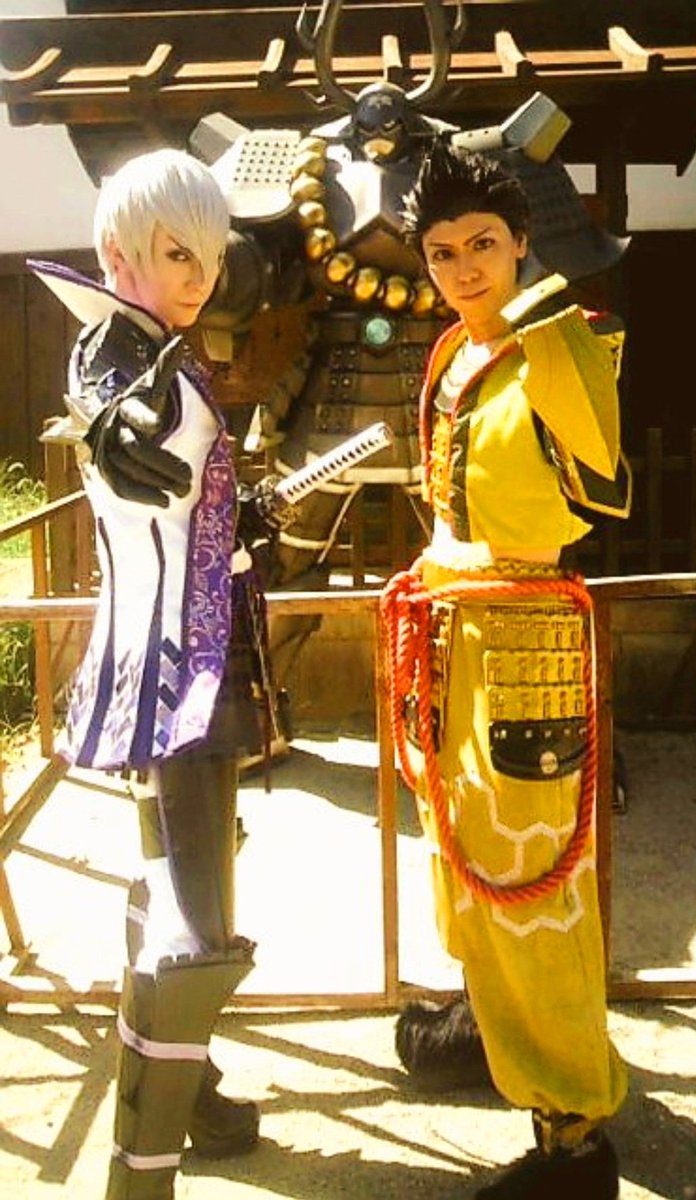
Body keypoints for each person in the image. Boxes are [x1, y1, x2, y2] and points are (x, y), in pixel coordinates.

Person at [30, 148, 292, 1199]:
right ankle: (145, 1173)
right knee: (196, 931)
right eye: (176, 253)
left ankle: (198, 1095)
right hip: (182, 677)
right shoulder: (121, 353)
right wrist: (108, 426)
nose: (198, 275)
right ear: (118, 250)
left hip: (189, 662)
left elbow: (177, 499)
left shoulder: (159, 349)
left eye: (209, 256)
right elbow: (108, 405)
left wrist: (240, 517)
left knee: (178, 891)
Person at [381, 140, 632, 1199]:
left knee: (535, 885)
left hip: (526, 637)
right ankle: (490, 1028)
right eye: (441, 253)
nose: (463, 269)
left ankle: (574, 1136)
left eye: (482, 243)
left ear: (521, 240)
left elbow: (602, 485)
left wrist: (543, 316)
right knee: (461, 858)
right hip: (450, 634)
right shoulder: (452, 354)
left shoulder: (565, 341)